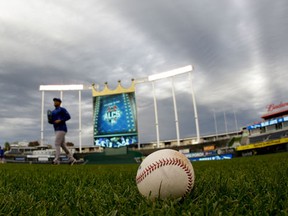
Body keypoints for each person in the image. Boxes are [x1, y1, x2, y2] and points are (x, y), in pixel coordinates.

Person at [49, 98, 76, 165]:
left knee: (57, 143)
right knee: (63, 145)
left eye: (56, 101)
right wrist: (50, 120)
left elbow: (68, 116)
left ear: (60, 102)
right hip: (56, 129)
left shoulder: (62, 109)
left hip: (62, 129)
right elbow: (52, 122)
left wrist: (60, 120)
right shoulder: (52, 112)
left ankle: (56, 160)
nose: (55, 102)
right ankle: (71, 159)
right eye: (54, 101)